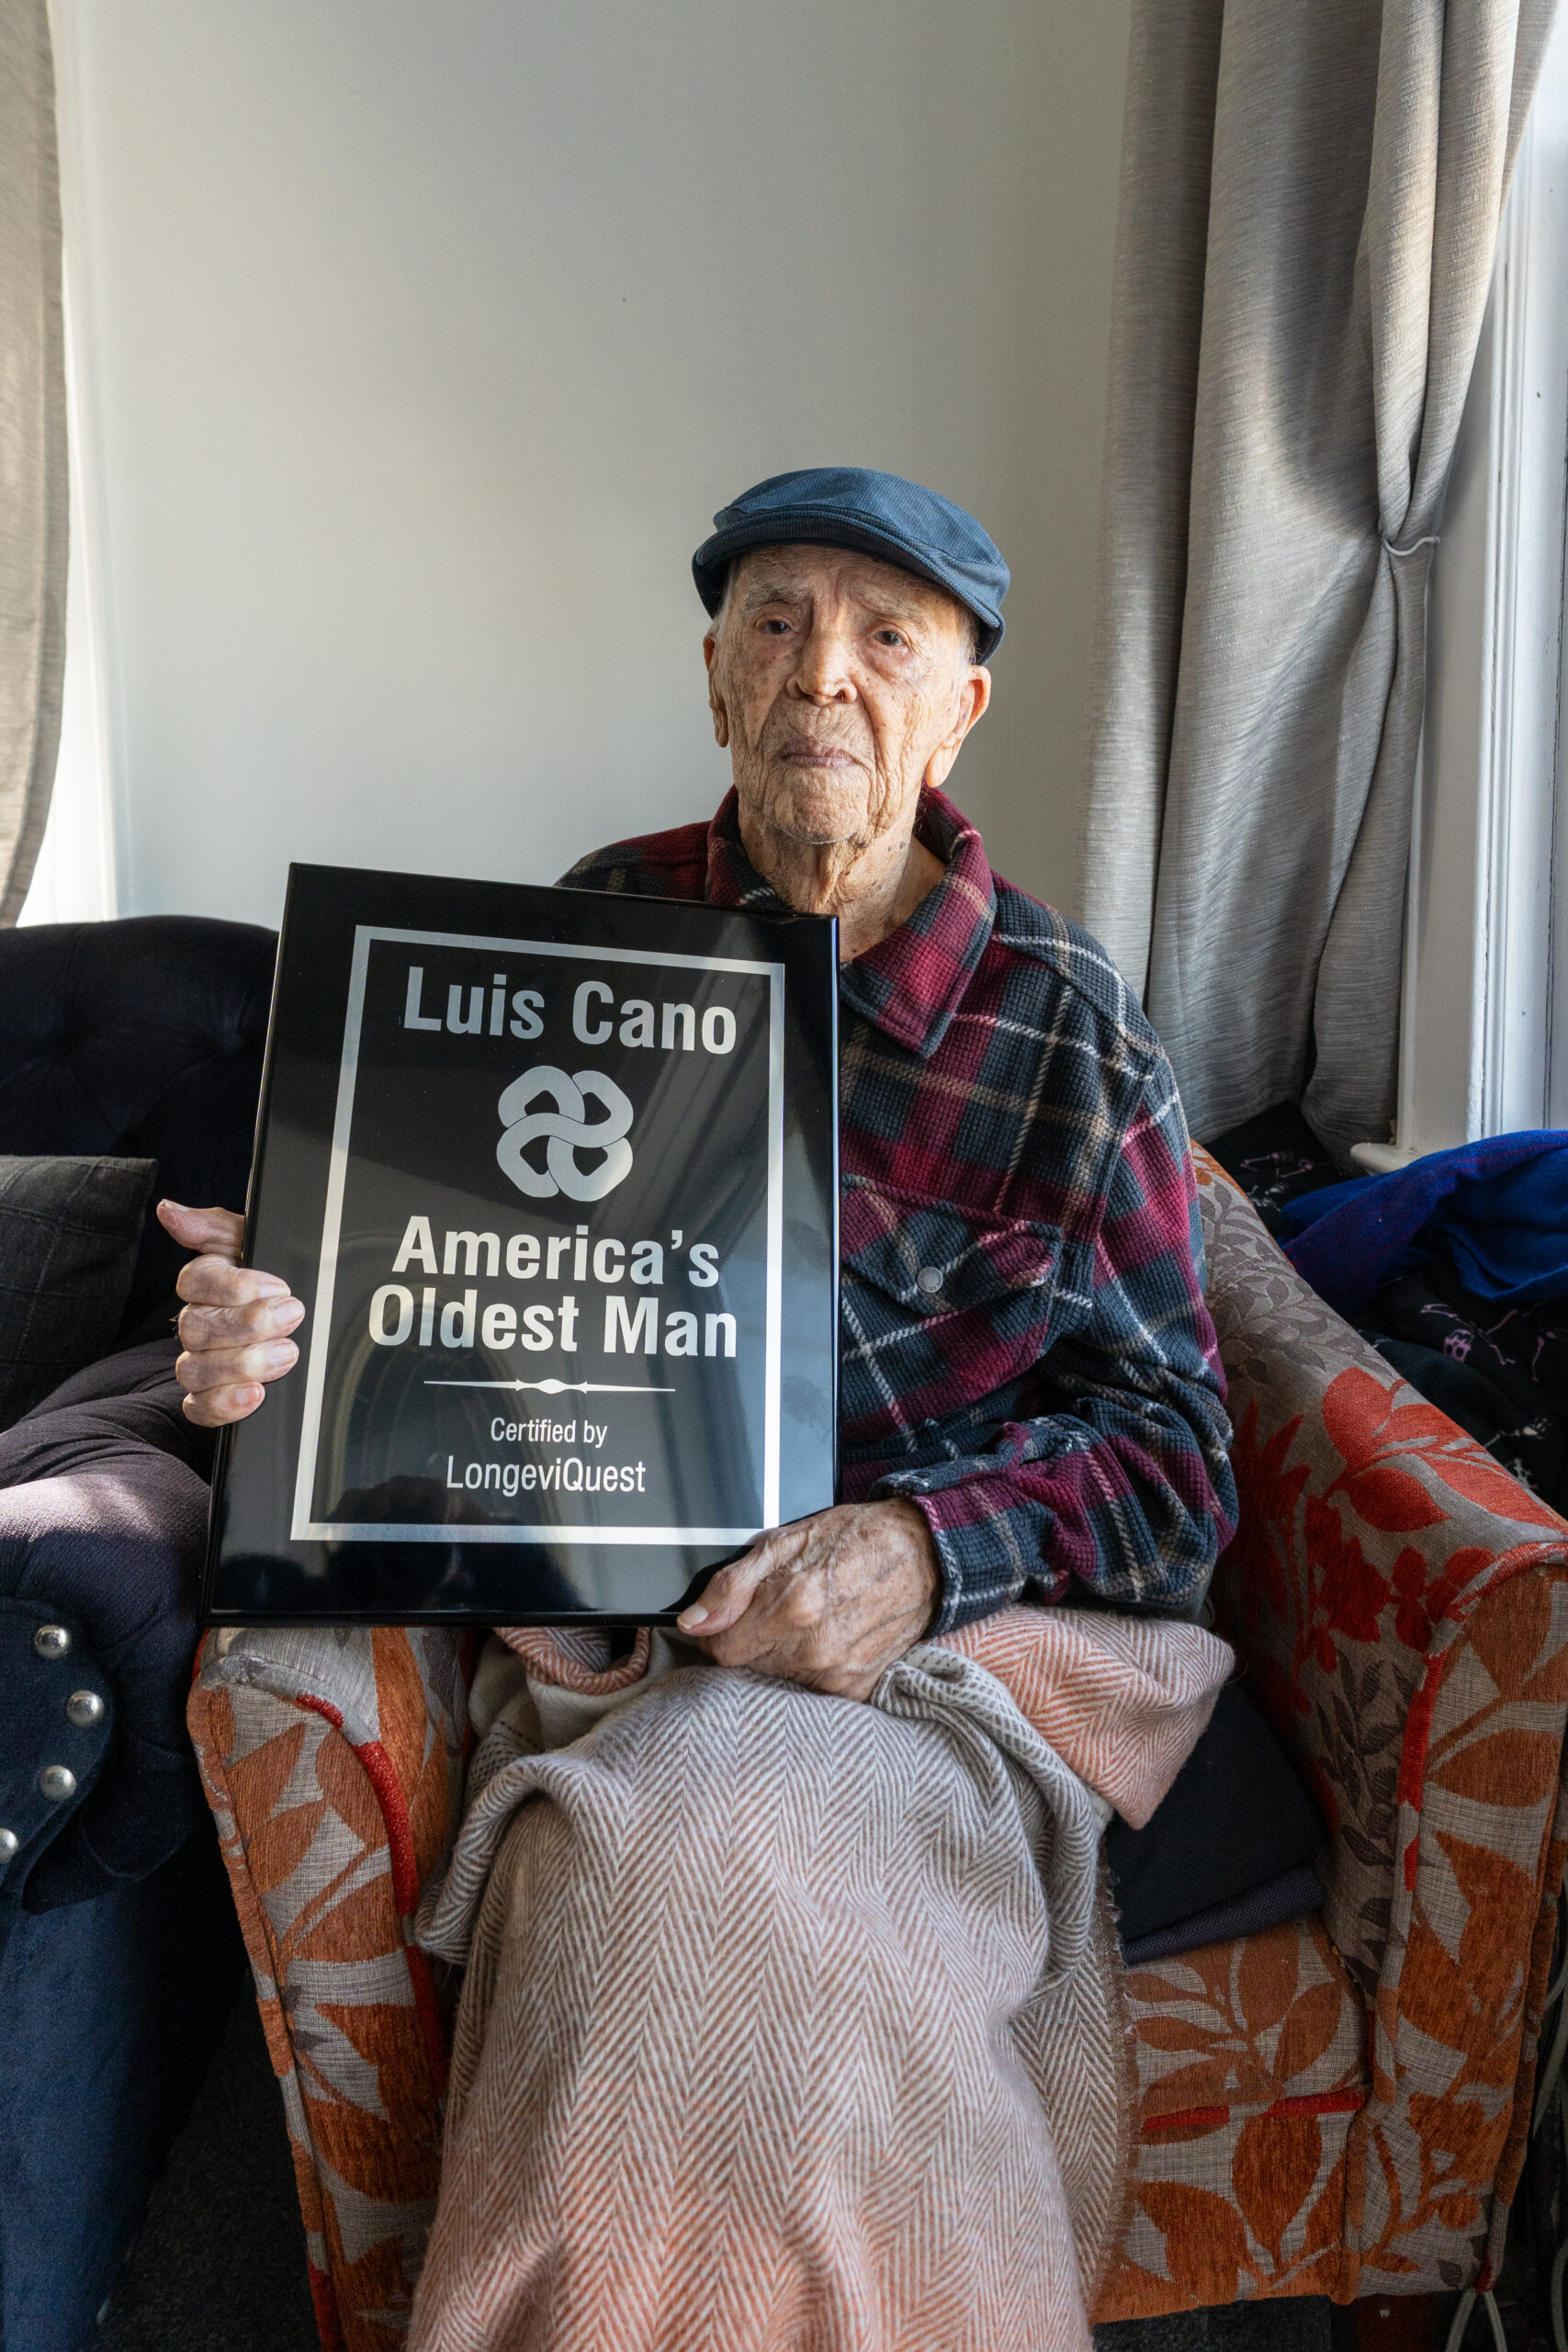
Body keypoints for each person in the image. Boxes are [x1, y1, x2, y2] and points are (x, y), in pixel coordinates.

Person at [161, 467, 1237, 2346]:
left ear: (959, 708)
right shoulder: (592, 930)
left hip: (938, 1654)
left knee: (693, 1879)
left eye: (884, 637)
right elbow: (451, 1304)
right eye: (774, 624)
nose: (822, 673)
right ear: (715, 680)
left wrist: (921, 1549)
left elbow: (1176, 1461)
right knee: (629, 1857)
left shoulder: (1068, 1025)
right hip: (630, 1637)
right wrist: (283, 1333)